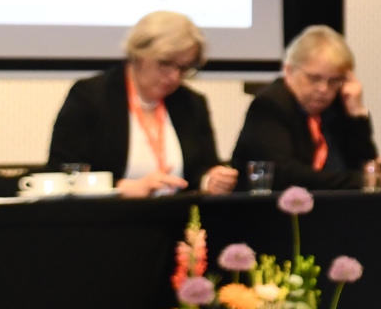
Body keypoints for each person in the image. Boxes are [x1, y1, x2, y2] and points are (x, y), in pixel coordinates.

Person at [46, 11, 238, 197]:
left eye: (184, 68)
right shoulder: (90, 97)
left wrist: (211, 180)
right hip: (109, 216)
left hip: (175, 215)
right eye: (165, 63)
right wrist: (121, 189)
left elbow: (202, 169)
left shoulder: (191, 103)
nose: (174, 77)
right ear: (138, 55)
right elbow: (63, 172)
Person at [232, 25, 380, 191]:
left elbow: (368, 171)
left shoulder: (338, 107)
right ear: (289, 71)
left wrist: (357, 113)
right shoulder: (269, 106)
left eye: (334, 81)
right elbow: (286, 175)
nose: (323, 89)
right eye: (314, 78)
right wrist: (357, 181)